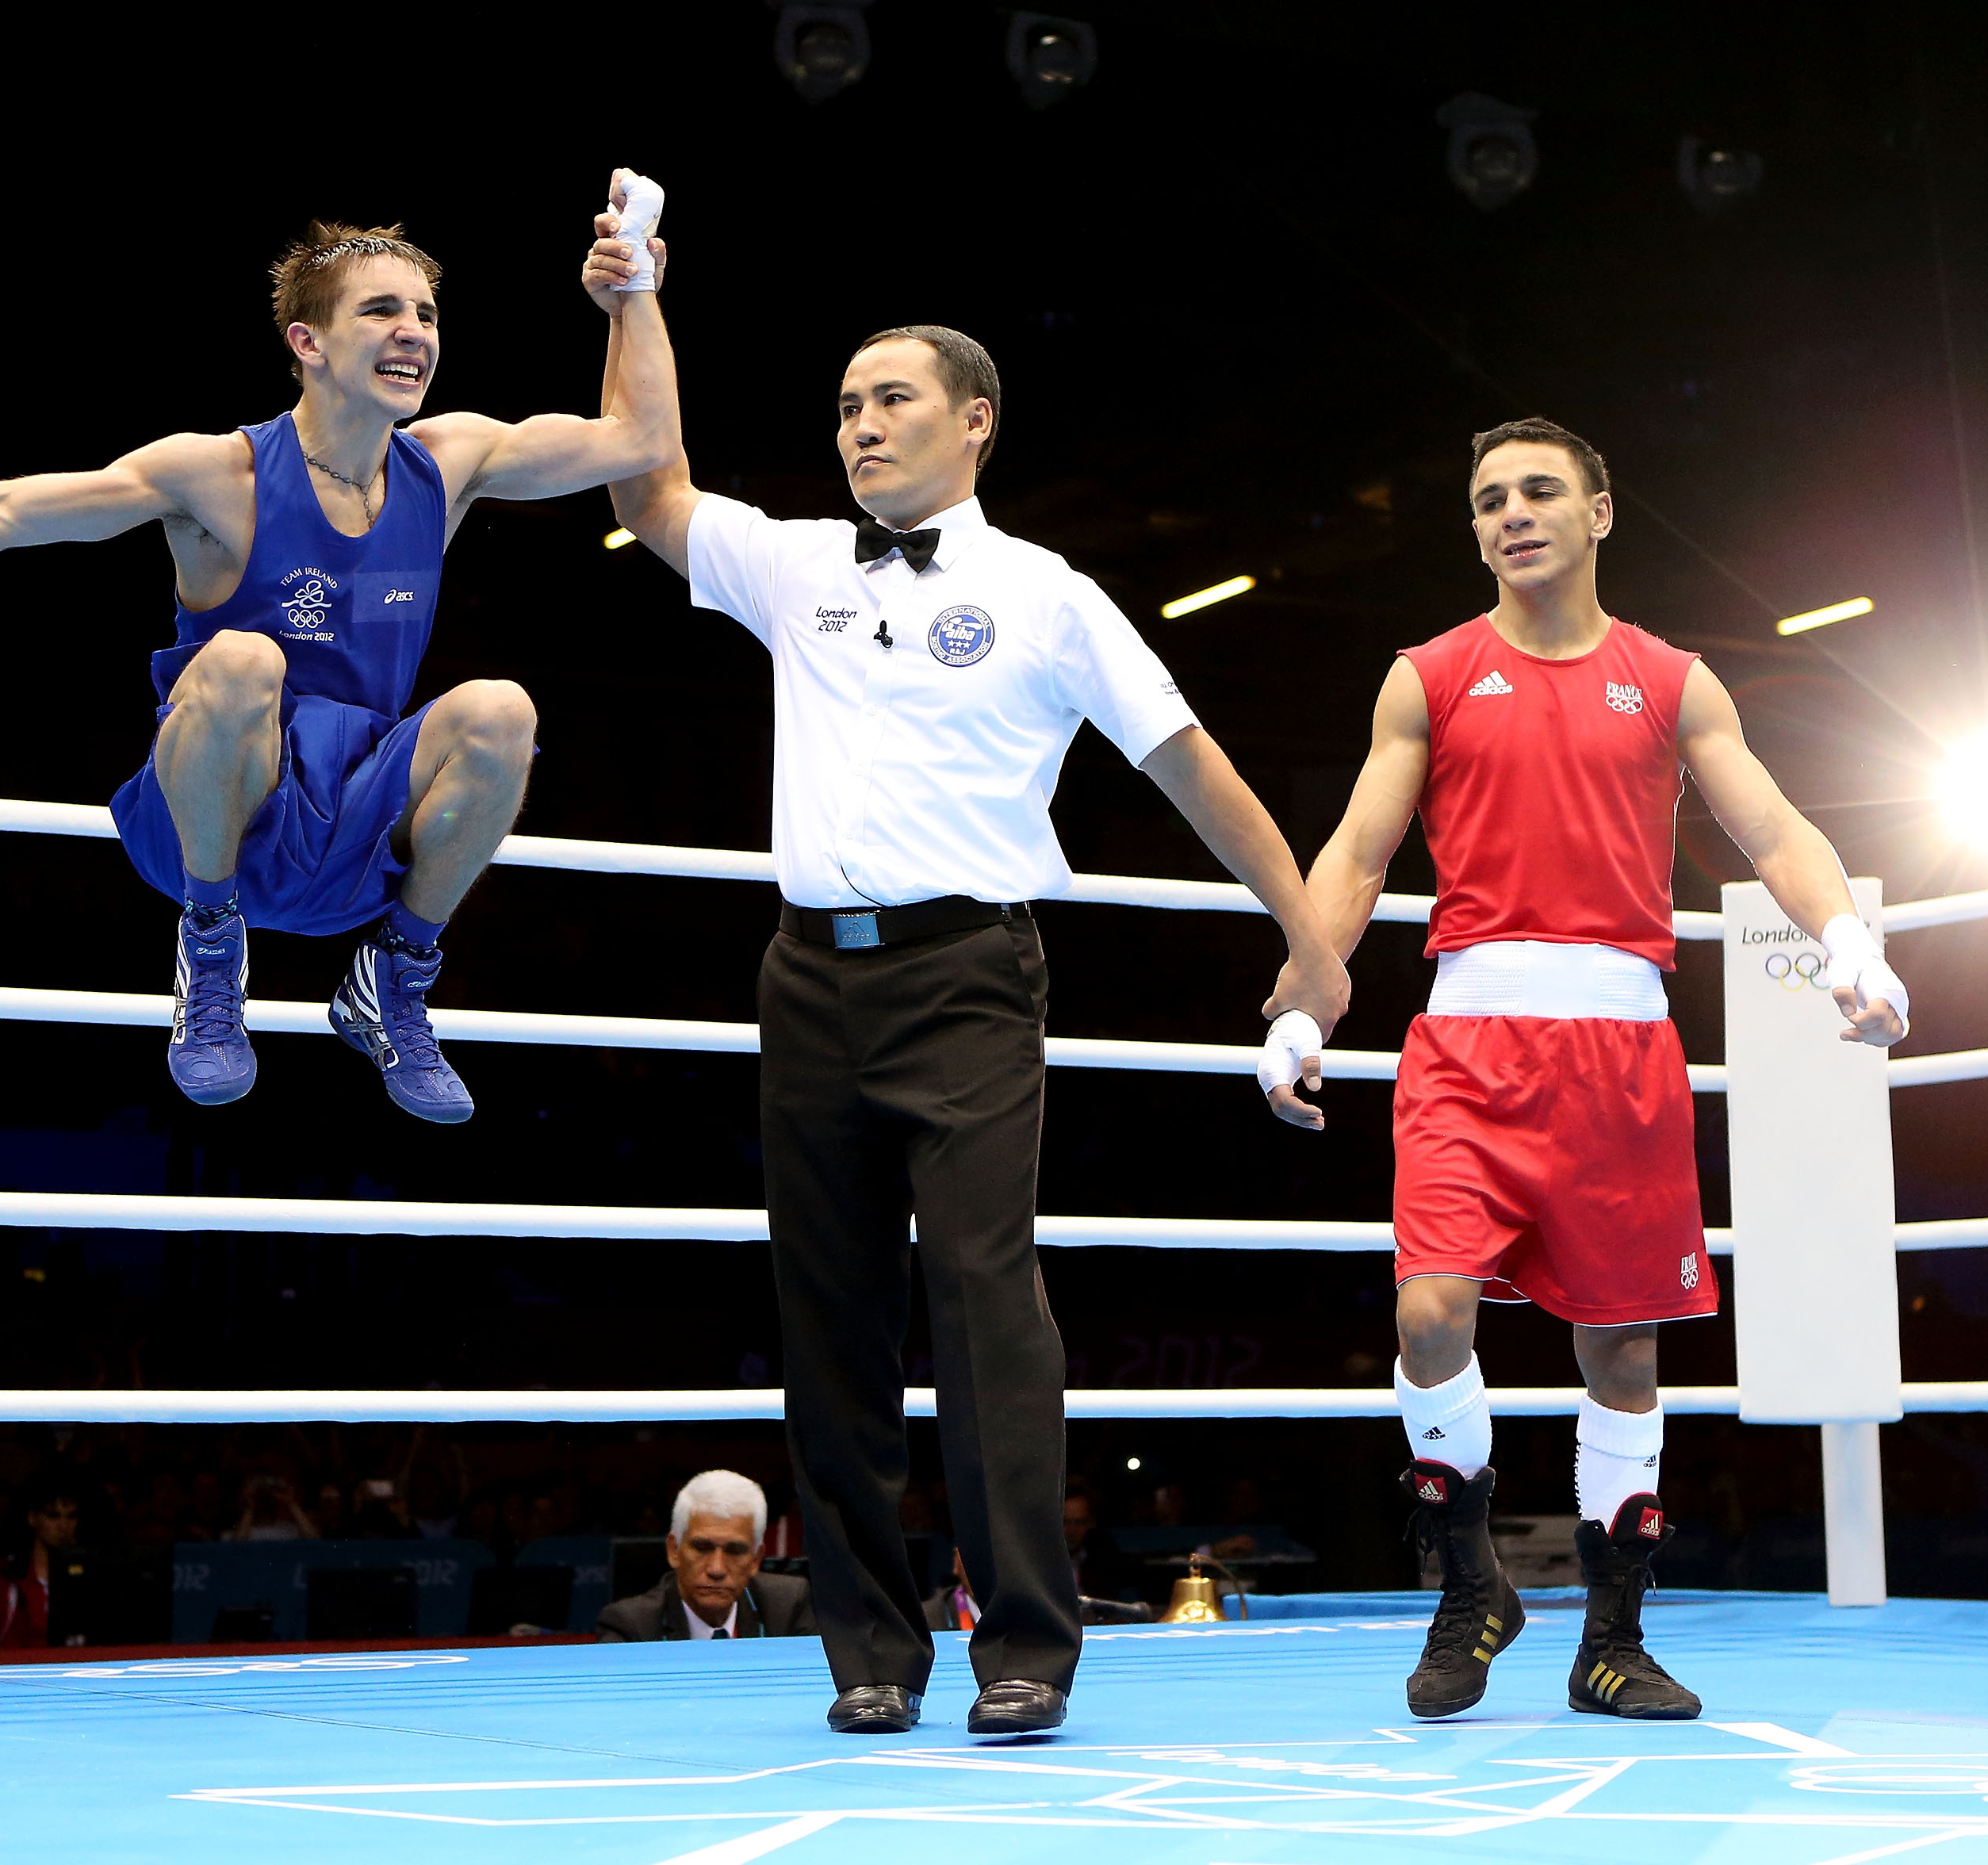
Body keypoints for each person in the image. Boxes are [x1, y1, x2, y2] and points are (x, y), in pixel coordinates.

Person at [603, 236, 1350, 1730]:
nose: (860, 425)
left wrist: (1312, 942)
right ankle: (872, 1657)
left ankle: (1024, 1646)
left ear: (975, 418)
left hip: (969, 977)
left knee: (985, 1300)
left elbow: (1189, 764)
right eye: (843, 406)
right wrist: (637, 301)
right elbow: (649, 487)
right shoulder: (801, 561)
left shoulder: (1049, 594)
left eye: (889, 399)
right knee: (827, 1320)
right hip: (806, 979)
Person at [0, 175, 679, 1124]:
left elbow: (638, 439)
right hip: (218, 818)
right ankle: (210, 946)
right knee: (247, 661)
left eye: (425, 314)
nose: (414, 334)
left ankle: (395, 975)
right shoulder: (216, 476)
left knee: (502, 708)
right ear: (309, 343)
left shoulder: (451, 460)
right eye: (381, 311)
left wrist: (629, 290)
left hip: (354, 836)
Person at [1291, 417, 1910, 1723]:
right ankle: (1469, 1592)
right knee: (1428, 1316)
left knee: (1621, 1355)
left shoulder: (1673, 680)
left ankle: (1612, 1641)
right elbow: (1355, 857)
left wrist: (1847, 939)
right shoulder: (1431, 675)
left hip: (1622, 1051)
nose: (1510, 513)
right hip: (1468, 1043)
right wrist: (1301, 1003)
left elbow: (1772, 824)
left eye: (1536, 491)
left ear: (1600, 513)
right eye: (1486, 500)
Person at [596, 1471, 816, 1641]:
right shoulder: (630, 1626)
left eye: (735, 1551)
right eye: (702, 1548)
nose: (716, 1570)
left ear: (756, 1559)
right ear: (674, 1550)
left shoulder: (788, 1607)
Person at [0, 1479, 81, 1648]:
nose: (64, 1526)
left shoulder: (88, 1577)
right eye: (53, 1516)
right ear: (32, 1518)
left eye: (71, 1516)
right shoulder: (5, 1574)